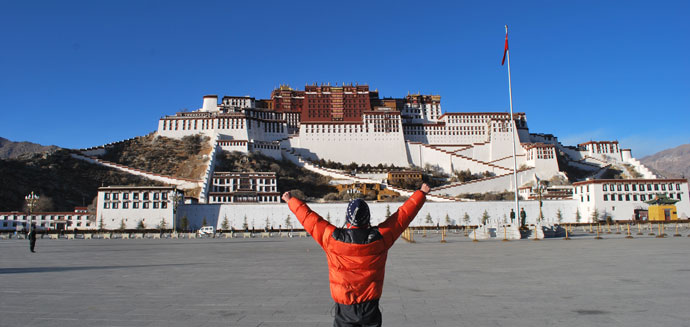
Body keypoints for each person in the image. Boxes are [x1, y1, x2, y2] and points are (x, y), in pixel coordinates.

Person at [283, 183, 430, 327]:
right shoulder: (381, 238)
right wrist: (421, 194)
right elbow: (402, 217)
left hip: (344, 308)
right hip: (370, 308)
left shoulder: (332, 239)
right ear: (367, 218)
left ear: (348, 219)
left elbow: (310, 219)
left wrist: (291, 200)